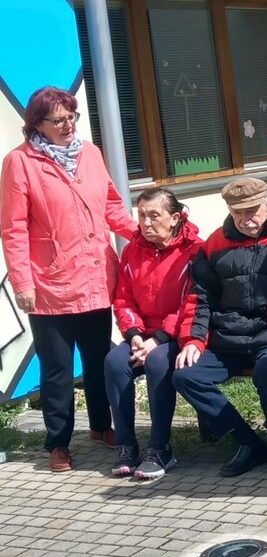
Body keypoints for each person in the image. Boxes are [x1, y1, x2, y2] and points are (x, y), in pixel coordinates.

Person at [0, 85, 136, 472]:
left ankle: (101, 426)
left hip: (95, 277)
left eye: (72, 116)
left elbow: (111, 205)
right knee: (58, 369)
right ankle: (58, 443)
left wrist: (142, 234)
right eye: (58, 120)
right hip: (50, 284)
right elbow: (13, 229)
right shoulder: (20, 162)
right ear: (37, 124)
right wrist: (23, 283)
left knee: (98, 359)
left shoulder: (90, 153)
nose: (68, 125)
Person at [173, 177, 267, 477]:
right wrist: (193, 340)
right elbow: (199, 296)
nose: (246, 220)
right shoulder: (215, 243)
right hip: (227, 337)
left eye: (252, 212)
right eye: (238, 214)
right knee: (185, 376)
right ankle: (247, 442)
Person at [104, 188, 201, 482]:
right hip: (141, 334)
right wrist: (133, 333)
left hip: (176, 336)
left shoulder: (195, 251)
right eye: (141, 215)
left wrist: (158, 338)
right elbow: (123, 298)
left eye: (154, 215)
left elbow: (191, 303)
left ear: (174, 218)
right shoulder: (132, 251)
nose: (145, 223)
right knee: (114, 362)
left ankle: (160, 448)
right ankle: (126, 444)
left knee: (158, 362)